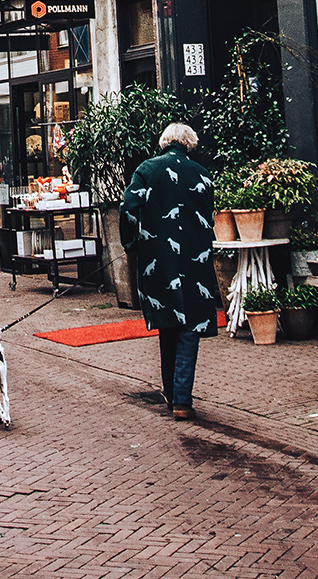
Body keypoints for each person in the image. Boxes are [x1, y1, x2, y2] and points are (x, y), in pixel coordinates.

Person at [119, 123, 219, 420]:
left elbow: (128, 208)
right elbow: (210, 216)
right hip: (195, 261)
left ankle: (172, 394)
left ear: (164, 142)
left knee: (168, 324)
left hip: (159, 261)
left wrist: (132, 243)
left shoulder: (147, 170)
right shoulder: (203, 174)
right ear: (190, 144)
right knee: (190, 328)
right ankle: (181, 400)